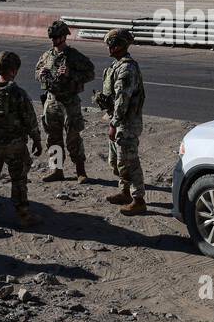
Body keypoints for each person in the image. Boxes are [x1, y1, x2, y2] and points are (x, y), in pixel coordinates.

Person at [0, 51, 43, 227]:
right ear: (13, 70)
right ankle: (23, 215)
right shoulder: (18, 93)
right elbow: (30, 120)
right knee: (19, 179)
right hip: (15, 145)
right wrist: (37, 140)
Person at [34, 20, 95, 183]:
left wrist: (70, 74)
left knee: (73, 137)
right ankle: (56, 170)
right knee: (53, 137)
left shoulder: (73, 56)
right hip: (51, 101)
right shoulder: (47, 55)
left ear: (63, 37)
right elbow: (37, 71)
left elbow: (90, 73)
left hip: (69, 103)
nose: (53, 40)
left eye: (56, 37)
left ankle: (80, 171)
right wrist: (41, 73)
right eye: (52, 37)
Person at [95, 28, 147, 215]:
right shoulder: (115, 66)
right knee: (117, 161)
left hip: (126, 123)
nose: (109, 48)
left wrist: (114, 124)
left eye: (112, 44)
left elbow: (122, 100)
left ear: (120, 46)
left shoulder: (126, 68)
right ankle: (125, 192)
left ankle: (138, 199)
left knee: (129, 161)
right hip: (118, 120)